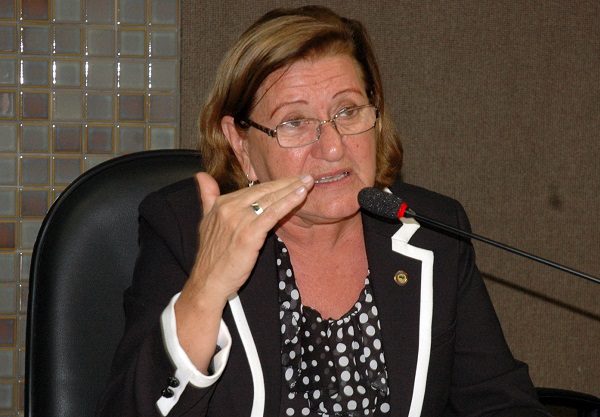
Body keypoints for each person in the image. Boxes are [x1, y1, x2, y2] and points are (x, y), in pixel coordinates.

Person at [96, 5, 550, 417]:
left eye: (348, 111)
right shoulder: (185, 228)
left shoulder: (433, 231)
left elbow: (500, 403)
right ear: (241, 143)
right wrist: (205, 291)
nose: (333, 147)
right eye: (295, 122)